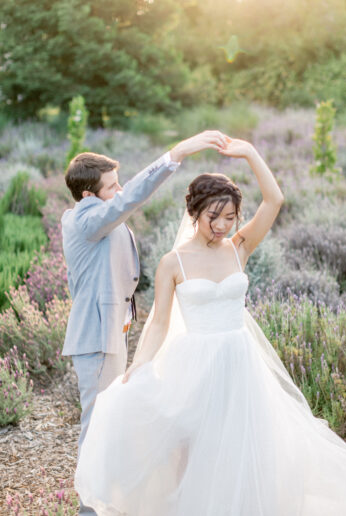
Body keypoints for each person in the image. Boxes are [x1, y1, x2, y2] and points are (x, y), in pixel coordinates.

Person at [74, 136, 346, 515]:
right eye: (215, 217)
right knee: (192, 445)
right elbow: (160, 323)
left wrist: (249, 153)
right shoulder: (172, 263)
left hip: (239, 358)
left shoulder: (238, 247)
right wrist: (139, 364)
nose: (223, 226)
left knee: (246, 443)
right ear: (194, 212)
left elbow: (274, 200)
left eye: (231, 217)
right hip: (194, 363)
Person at [61, 130, 229, 515]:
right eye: (111, 186)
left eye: (118, 182)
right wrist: (177, 153)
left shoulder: (93, 216)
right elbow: (133, 197)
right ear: (89, 195)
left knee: (116, 417)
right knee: (99, 421)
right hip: (97, 338)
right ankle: (91, 507)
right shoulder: (86, 219)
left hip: (109, 332)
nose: (119, 190)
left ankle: (118, 497)